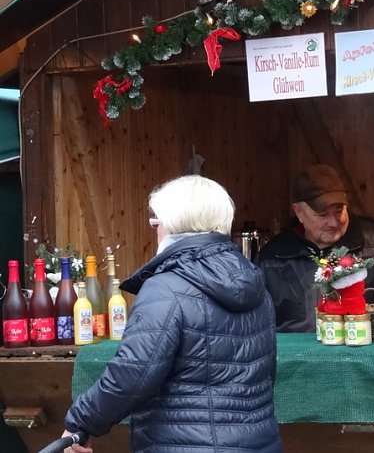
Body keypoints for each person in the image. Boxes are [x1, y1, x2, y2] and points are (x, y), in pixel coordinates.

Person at [60, 175, 280, 453]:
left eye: (156, 221)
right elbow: (265, 373)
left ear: (171, 224)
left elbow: (132, 375)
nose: (155, 228)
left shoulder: (165, 288)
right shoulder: (255, 282)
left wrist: (81, 421)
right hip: (258, 444)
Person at [256, 164, 374, 332]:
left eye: (339, 211)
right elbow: (256, 324)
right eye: (322, 215)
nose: (333, 222)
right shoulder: (272, 257)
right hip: (293, 356)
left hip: (365, 352)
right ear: (299, 212)